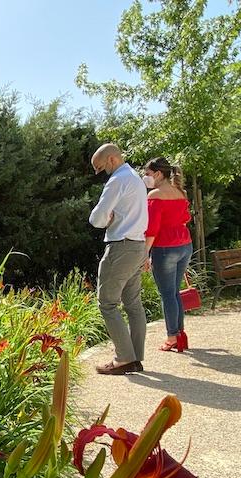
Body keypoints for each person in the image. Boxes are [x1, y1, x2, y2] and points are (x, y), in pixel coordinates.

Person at [88, 143, 149, 375]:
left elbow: (97, 218)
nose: (102, 173)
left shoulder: (117, 180)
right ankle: (135, 357)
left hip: (121, 247)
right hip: (138, 246)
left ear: (112, 159)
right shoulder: (135, 178)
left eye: (101, 167)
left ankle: (124, 358)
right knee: (133, 304)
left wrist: (107, 219)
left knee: (107, 303)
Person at [142, 157, 193, 352]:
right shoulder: (180, 192)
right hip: (184, 245)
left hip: (165, 247)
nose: (145, 178)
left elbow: (152, 228)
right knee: (174, 293)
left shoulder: (155, 195)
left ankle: (172, 337)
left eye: (147, 174)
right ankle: (180, 334)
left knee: (167, 294)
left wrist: (144, 254)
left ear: (158, 174)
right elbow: (186, 218)